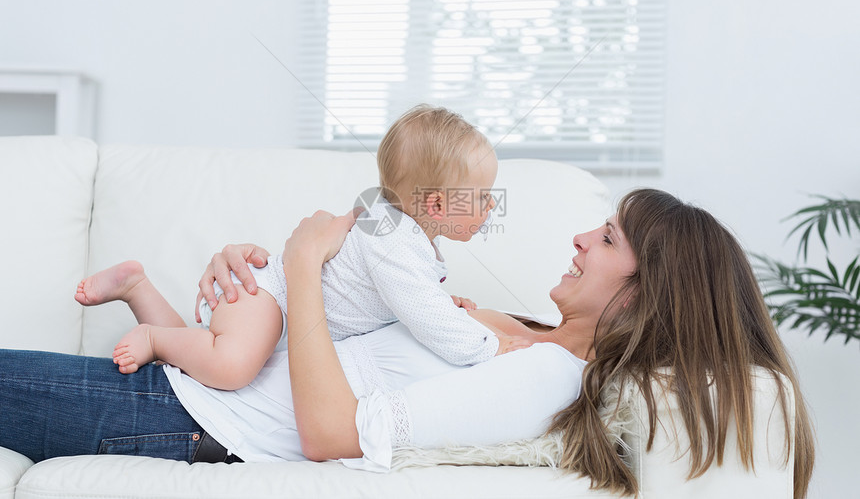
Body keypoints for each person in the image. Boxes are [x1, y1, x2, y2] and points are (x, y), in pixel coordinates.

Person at [0, 189, 815, 498]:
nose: (577, 238)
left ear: (642, 289)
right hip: (196, 394)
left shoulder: (546, 379)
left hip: (192, 419)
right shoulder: (525, 337)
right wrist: (254, 287)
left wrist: (301, 264)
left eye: (605, 239)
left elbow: (329, 433)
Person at [73, 105, 525, 391]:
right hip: (269, 303)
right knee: (229, 368)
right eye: (482, 197)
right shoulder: (390, 240)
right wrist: (493, 347)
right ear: (436, 204)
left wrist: (446, 301)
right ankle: (154, 337)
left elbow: (409, 297)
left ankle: (137, 288)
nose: (489, 207)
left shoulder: (403, 238)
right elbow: (426, 317)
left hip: (274, 310)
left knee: (196, 369)